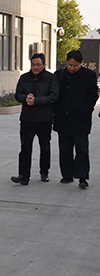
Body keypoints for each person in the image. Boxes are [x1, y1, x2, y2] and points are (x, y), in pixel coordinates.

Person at [11, 53, 59, 185]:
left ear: (44, 65)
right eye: (33, 65)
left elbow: (54, 97)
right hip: (27, 119)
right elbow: (18, 95)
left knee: (45, 147)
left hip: (44, 119)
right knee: (25, 147)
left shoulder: (51, 78)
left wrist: (36, 101)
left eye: (38, 65)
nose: (35, 67)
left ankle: (44, 172)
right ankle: (23, 176)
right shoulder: (24, 78)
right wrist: (25, 98)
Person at [53, 50, 99, 189]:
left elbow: (93, 95)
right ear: (66, 62)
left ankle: (82, 177)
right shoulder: (59, 75)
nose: (72, 68)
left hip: (80, 119)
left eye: (75, 66)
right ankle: (67, 175)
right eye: (69, 65)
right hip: (63, 118)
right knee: (65, 149)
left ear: (81, 63)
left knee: (81, 149)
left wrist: (86, 110)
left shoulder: (89, 75)